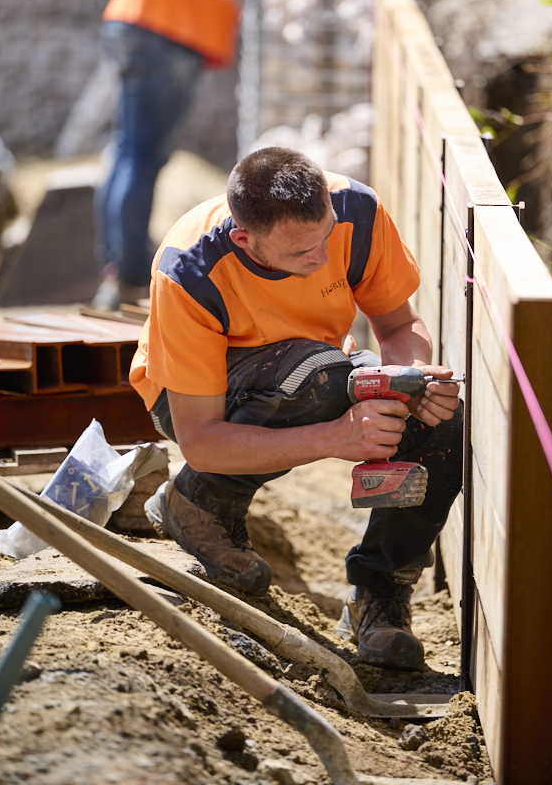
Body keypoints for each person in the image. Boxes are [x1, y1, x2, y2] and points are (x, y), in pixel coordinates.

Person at [133, 146, 462, 672]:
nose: (321, 257)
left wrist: (409, 380)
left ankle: (379, 599)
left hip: (315, 367)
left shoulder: (355, 211)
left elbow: (400, 326)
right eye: (301, 253)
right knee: (324, 376)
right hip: (200, 400)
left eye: (325, 236)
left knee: (440, 421)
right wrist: (337, 437)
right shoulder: (188, 272)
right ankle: (198, 502)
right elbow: (200, 439)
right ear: (245, 239)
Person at [93, 0, 354, 312]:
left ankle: (119, 269)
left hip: (147, 27)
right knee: (141, 156)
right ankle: (125, 275)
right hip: (163, 30)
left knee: (130, 151)